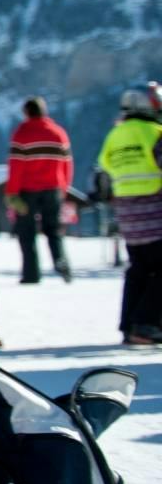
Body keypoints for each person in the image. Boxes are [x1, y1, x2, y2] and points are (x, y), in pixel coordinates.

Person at [97, 83, 162, 345]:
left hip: (128, 217)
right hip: (156, 214)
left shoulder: (116, 134)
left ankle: (129, 325)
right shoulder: (155, 133)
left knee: (139, 270)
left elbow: (102, 171)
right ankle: (146, 325)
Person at [6, 96, 73, 284]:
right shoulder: (58, 133)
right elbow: (67, 164)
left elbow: (16, 166)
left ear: (26, 113)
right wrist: (64, 188)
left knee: (26, 233)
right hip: (53, 189)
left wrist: (12, 192)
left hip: (27, 191)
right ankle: (62, 265)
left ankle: (31, 274)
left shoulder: (22, 133)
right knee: (54, 230)